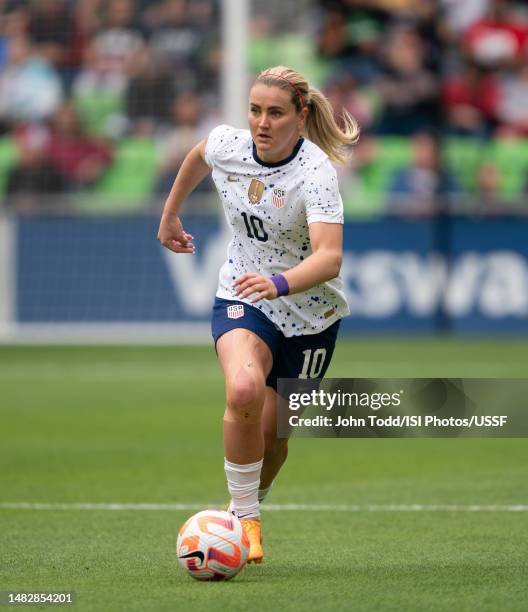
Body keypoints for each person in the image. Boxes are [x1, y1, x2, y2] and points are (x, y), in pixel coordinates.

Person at [157, 66, 358, 564]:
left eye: (274, 113)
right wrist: (170, 214)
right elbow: (198, 155)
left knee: (274, 442)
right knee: (243, 390)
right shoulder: (229, 145)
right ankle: (244, 518)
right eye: (254, 110)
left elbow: (329, 257)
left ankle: (242, 503)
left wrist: (281, 283)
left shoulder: (315, 172)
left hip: (311, 315)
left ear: (301, 116)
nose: (261, 123)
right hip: (243, 295)